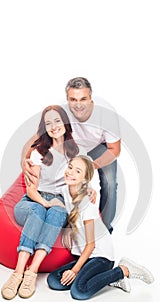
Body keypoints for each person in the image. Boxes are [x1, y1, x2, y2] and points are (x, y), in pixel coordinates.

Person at [1, 105, 95, 300]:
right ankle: (18, 272)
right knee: (37, 211)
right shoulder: (39, 153)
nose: (53, 126)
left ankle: (31, 272)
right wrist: (46, 203)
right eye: (48, 123)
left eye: (57, 121)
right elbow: (31, 191)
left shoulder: (74, 151)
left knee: (58, 212)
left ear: (64, 122)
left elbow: (80, 176)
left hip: (58, 200)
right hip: (32, 201)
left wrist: (88, 189)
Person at [47, 155, 154, 300]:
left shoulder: (87, 205)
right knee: (53, 280)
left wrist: (74, 270)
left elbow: (91, 245)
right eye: (70, 167)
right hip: (83, 256)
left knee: (79, 292)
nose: (70, 172)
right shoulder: (66, 190)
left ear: (84, 179)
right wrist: (67, 227)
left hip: (100, 256)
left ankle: (122, 270)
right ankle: (109, 279)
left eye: (78, 171)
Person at [22, 77, 121, 234]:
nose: (78, 104)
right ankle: (67, 220)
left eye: (83, 99)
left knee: (110, 183)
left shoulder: (106, 115)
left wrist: (90, 166)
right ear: (67, 99)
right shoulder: (62, 110)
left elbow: (114, 149)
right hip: (71, 145)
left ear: (90, 98)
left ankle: (105, 230)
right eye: (73, 99)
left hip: (98, 147)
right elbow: (38, 136)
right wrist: (23, 161)